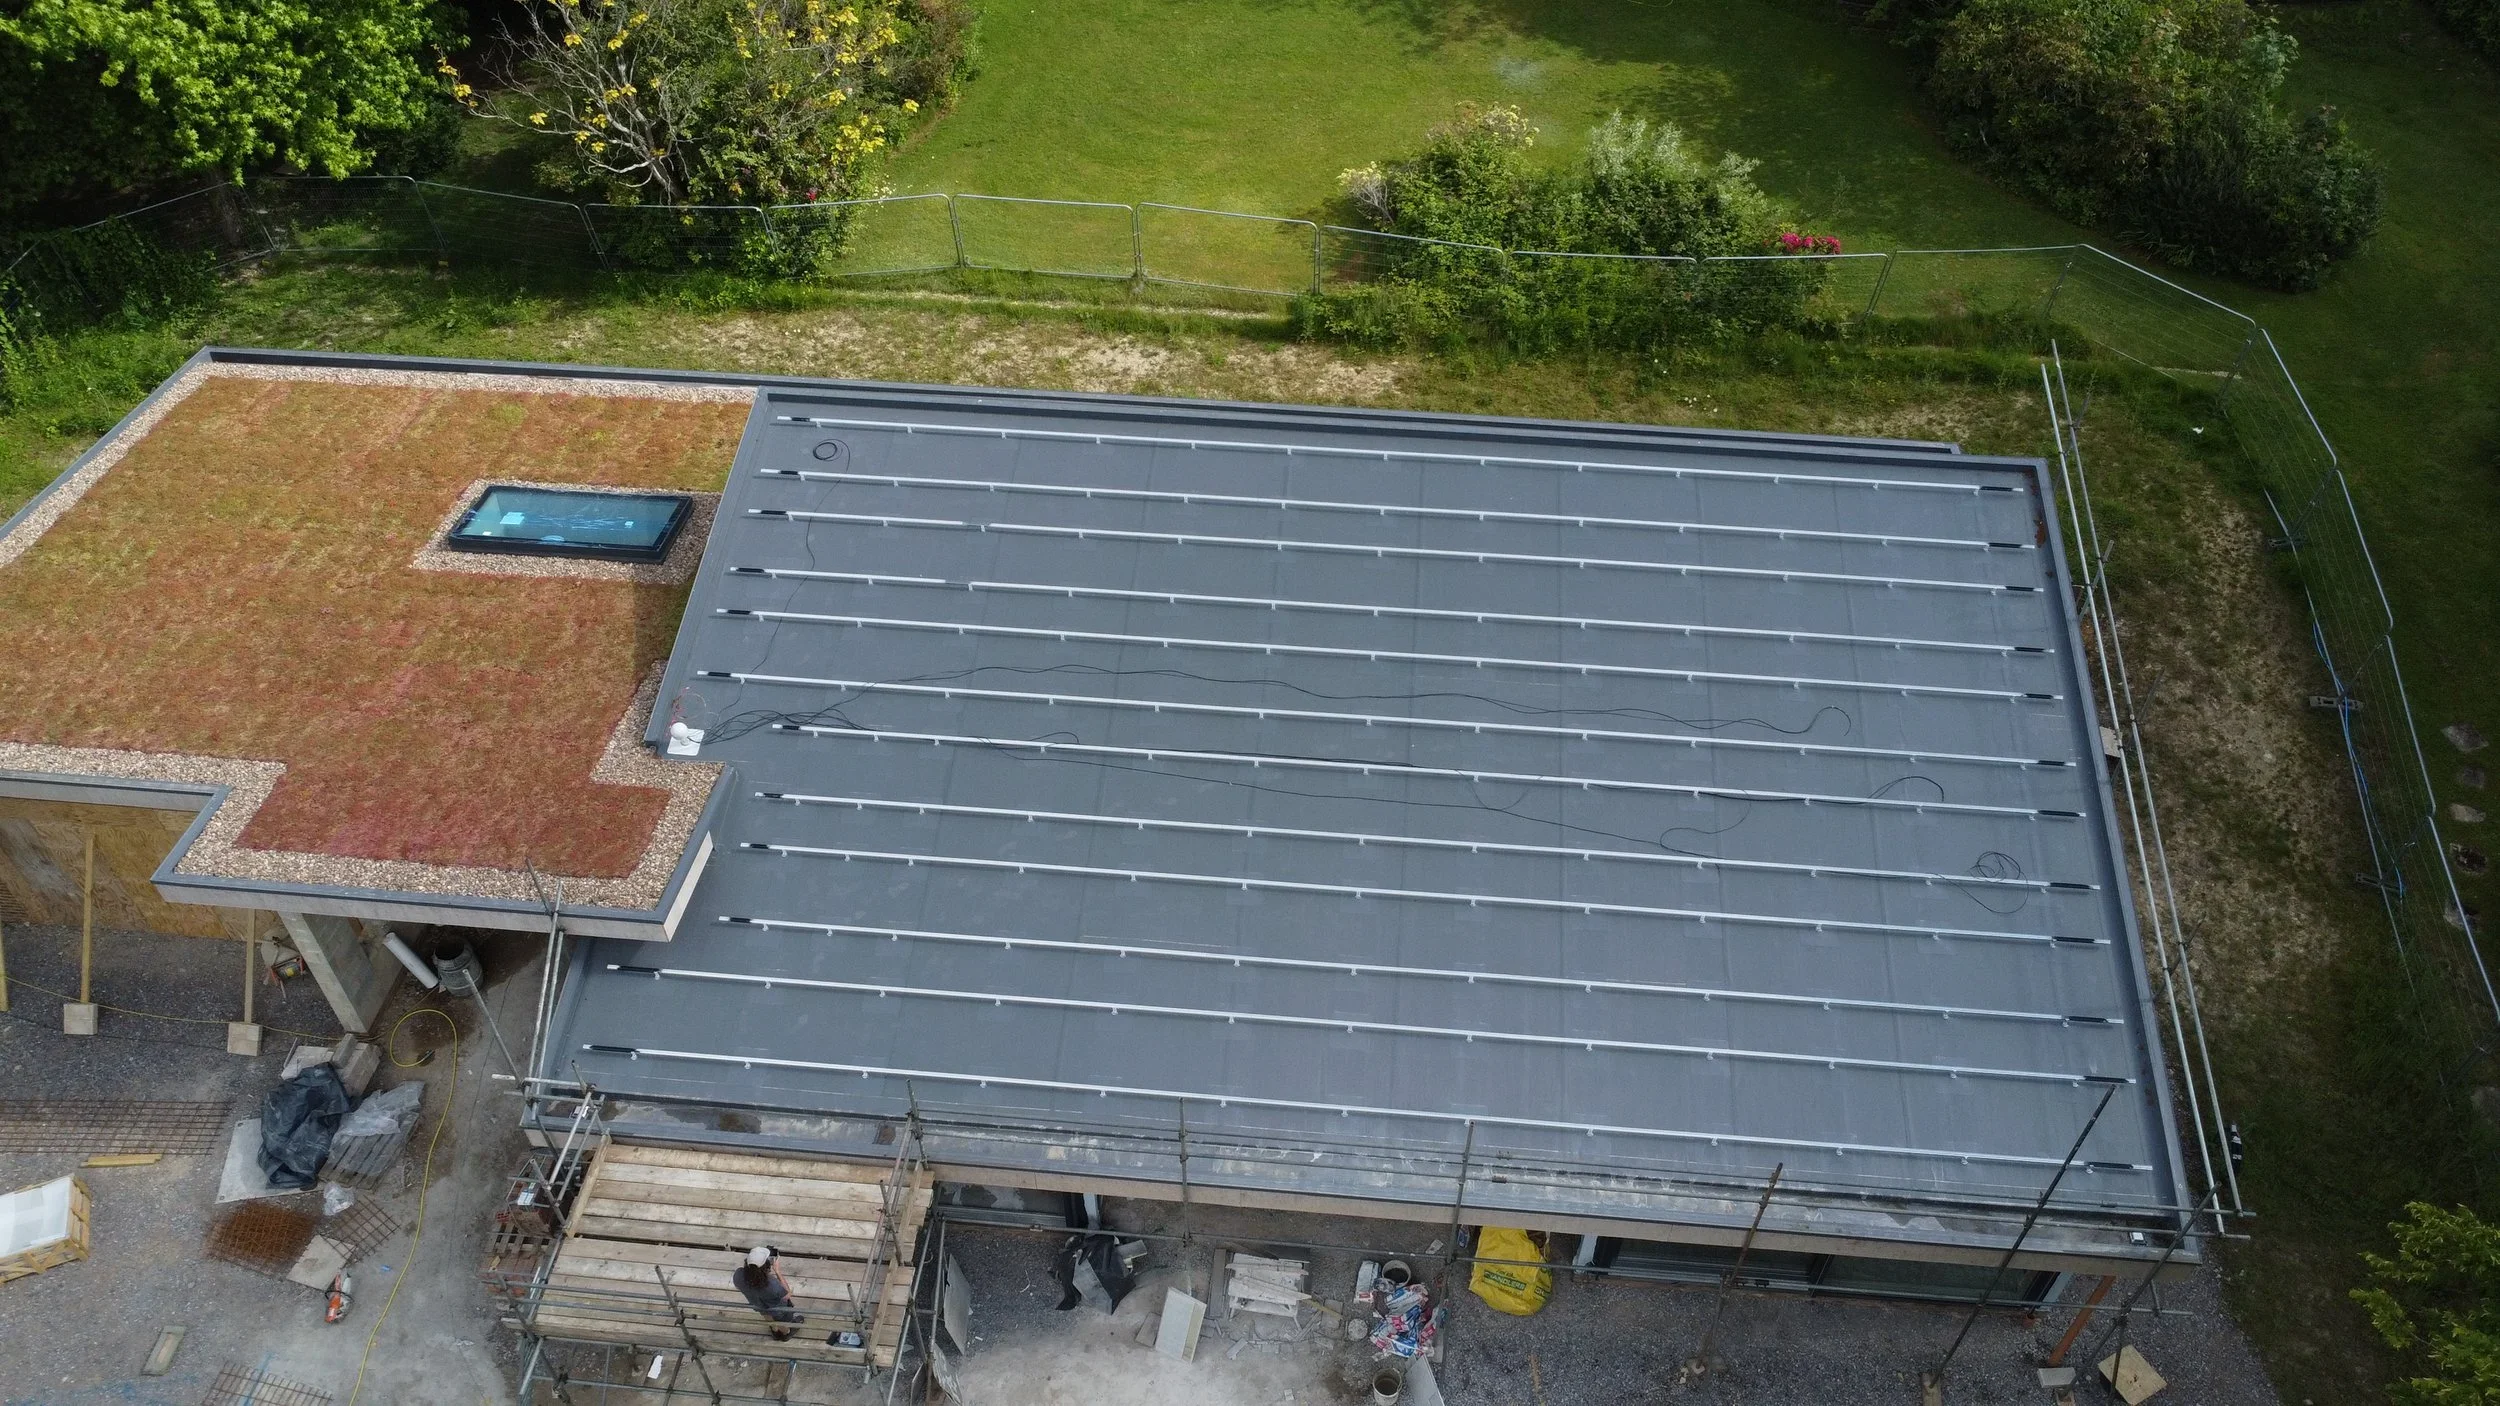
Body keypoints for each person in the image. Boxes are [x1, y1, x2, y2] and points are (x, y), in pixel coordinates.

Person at [732, 1245, 804, 1341]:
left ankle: (774, 1331)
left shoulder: (739, 1274)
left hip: (757, 1304)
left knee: (767, 1315)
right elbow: (787, 1294)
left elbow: (738, 1286)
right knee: (781, 1320)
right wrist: (777, 1271)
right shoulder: (771, 1283)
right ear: (766, 1265)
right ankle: (785, 1333)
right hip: (777, 1308)